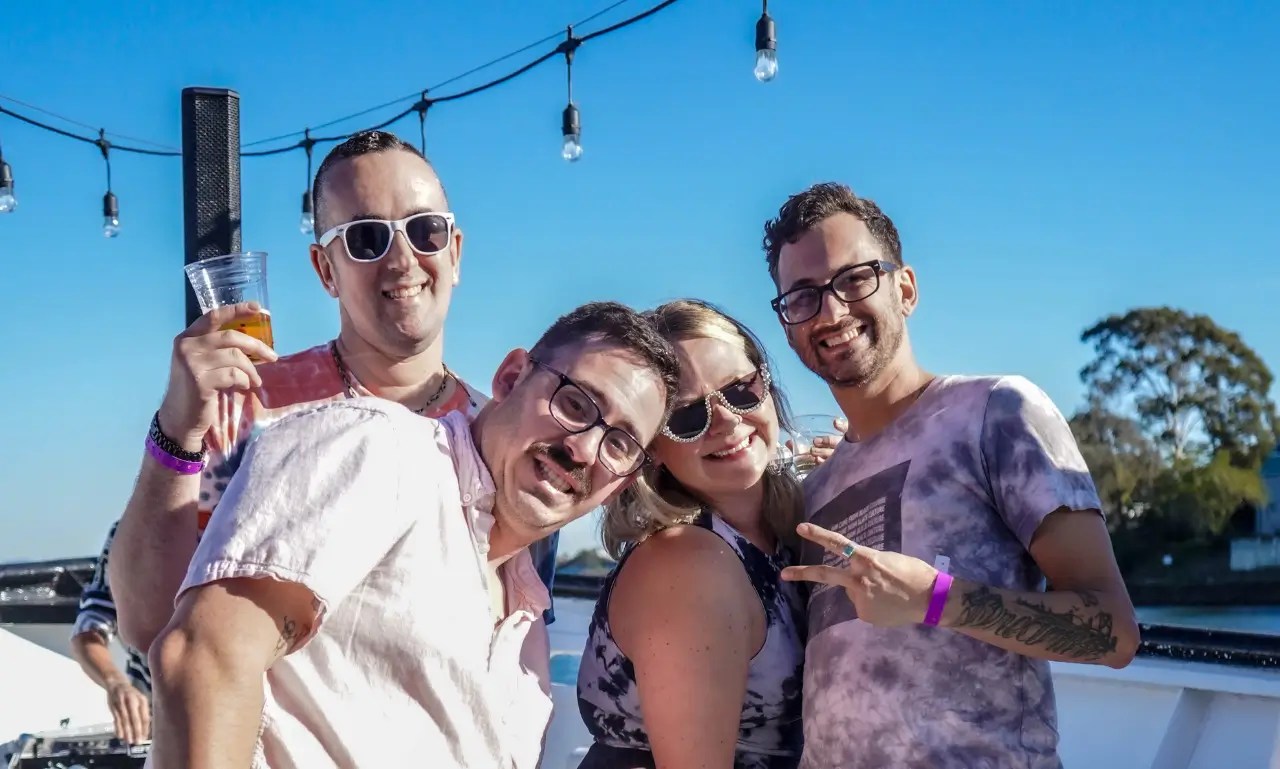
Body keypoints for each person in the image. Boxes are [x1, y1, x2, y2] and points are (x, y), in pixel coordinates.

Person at [145, 301, 679, 769]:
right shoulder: (384, 447)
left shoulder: (527, 627)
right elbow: (205, 657)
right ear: (511, 377)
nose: (583, 449)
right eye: (575, 404)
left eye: (619, 444)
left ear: (621, 483)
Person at [109, 130, 559, 653]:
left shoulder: (500, 438)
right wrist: (176, 430)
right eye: (367, 239)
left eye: (425, 231)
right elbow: (148, 625)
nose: (403, 260)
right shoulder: (249, 410)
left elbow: (516, 644)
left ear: (454, 253)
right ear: (327, 270)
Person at [761, 182, 1141, 769]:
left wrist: (936, 599)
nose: (831, 312)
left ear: (905, 288)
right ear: (788, 325)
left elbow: (1114, 633)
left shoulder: (997, 413)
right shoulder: (813, 488)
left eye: (854, 279)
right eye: (803, 296)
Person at [577, 299, 806, 769]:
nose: (727, 420)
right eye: (686, 416)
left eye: (741, 389)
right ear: (653, 447)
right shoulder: (687, 565)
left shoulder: (780, 534)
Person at [70, 520, 151, 745]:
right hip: (156, 725)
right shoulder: (129, 531)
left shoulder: (236, 524)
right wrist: (116, 683)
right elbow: (89, 629)